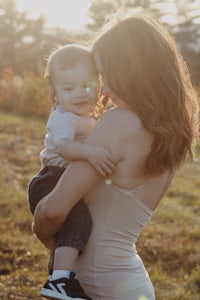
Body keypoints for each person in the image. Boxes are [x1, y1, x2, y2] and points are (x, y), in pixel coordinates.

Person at [32, 12, 199, 300]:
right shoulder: (171, 131)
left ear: (131, 72)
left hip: (101, 283)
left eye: (107, 76)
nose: (104, 90)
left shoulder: (118, 122)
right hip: (126, 281)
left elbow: (53, 211)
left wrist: (42, 231)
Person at [28, 43, 115, 300]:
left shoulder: (87, 116)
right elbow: (64, 147)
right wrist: (91, 153)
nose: (79, 94)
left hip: (60, 178)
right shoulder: (63, 117)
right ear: (54, 92)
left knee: (69, 232)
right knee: (79, 222)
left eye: (86, 86)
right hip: (51, 179)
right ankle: (59, 282)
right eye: (68, 88)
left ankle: (59, 275)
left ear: (98, 85)